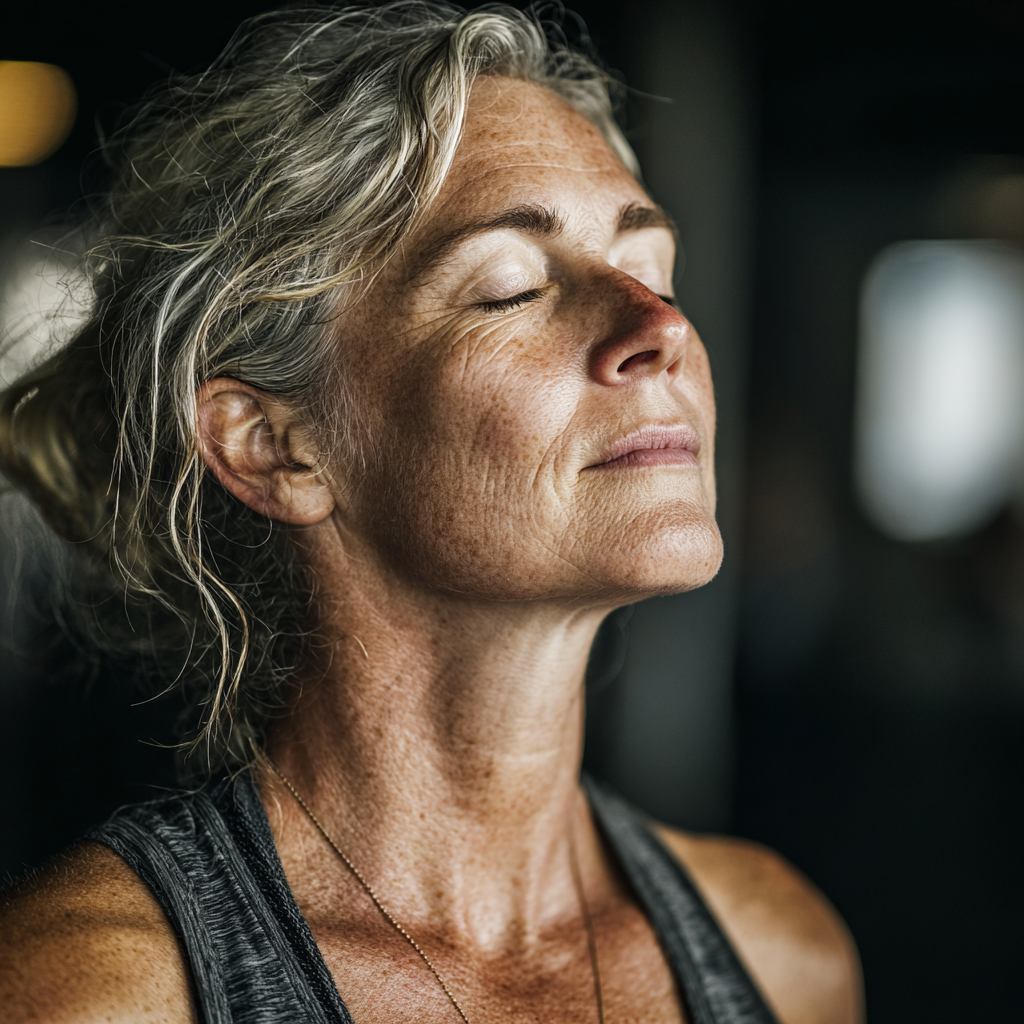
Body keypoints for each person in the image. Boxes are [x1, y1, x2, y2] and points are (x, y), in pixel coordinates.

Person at [0, 5, 862, 1022]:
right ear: (272, 445)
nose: (661, 326)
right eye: (508, 289)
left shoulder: (779, 952)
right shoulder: (101, 993)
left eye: (652, 269)